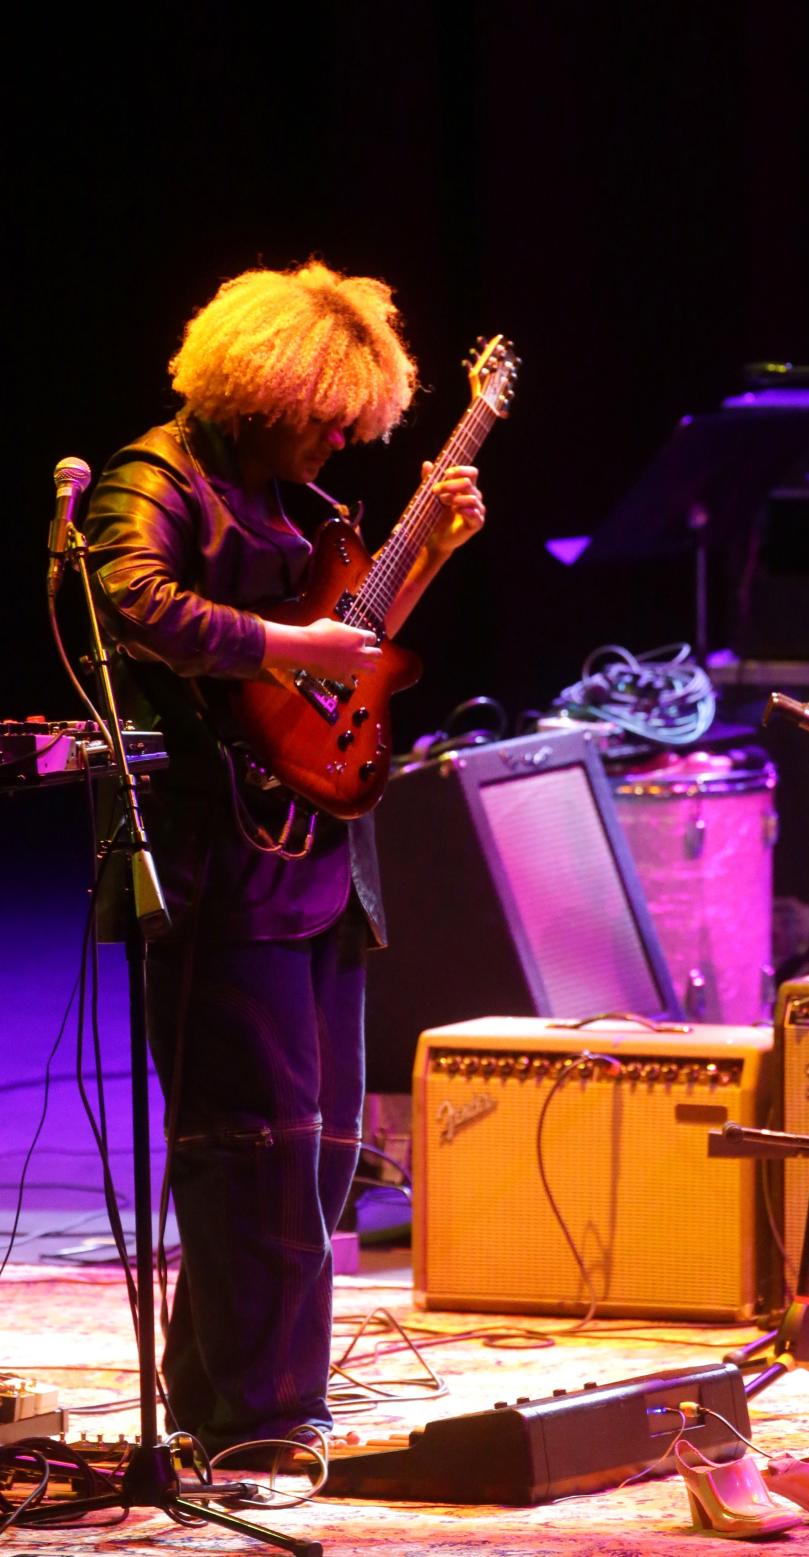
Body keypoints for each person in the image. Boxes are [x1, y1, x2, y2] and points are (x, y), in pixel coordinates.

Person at [84, 258, 485, 1468]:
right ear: (267, 389)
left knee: (308, 1151)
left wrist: (428, 561)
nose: (338, 439)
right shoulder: (156, 480)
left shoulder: (309, 514)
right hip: (216, 860)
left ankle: (237, 1399)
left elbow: (339, 671)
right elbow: (125, 597)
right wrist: (271, 642)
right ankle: (259, 1420)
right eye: (328, 415)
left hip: (321, 861)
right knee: (246, 1144)